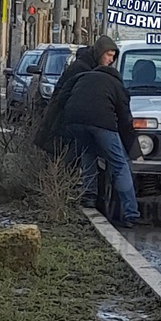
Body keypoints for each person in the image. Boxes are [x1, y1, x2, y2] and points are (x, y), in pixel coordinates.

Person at [59, 65, 143, 227]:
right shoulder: (117, 86)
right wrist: (135, 151)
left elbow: (62, 97)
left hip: (74, 120)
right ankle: (131, 213)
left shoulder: (82, 76)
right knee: (119, 164)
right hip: (102, 124)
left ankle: (89, 196)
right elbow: (126, 122)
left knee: (88, 152)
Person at [34, 35, 119, 157]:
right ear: (100, 53)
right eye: (109, 55)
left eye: (113, 56)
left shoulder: (93, 69)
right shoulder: (81, 68)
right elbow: (64, 95)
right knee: (64, 160)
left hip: (73, 123)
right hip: (63, 123)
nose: (111, 60)